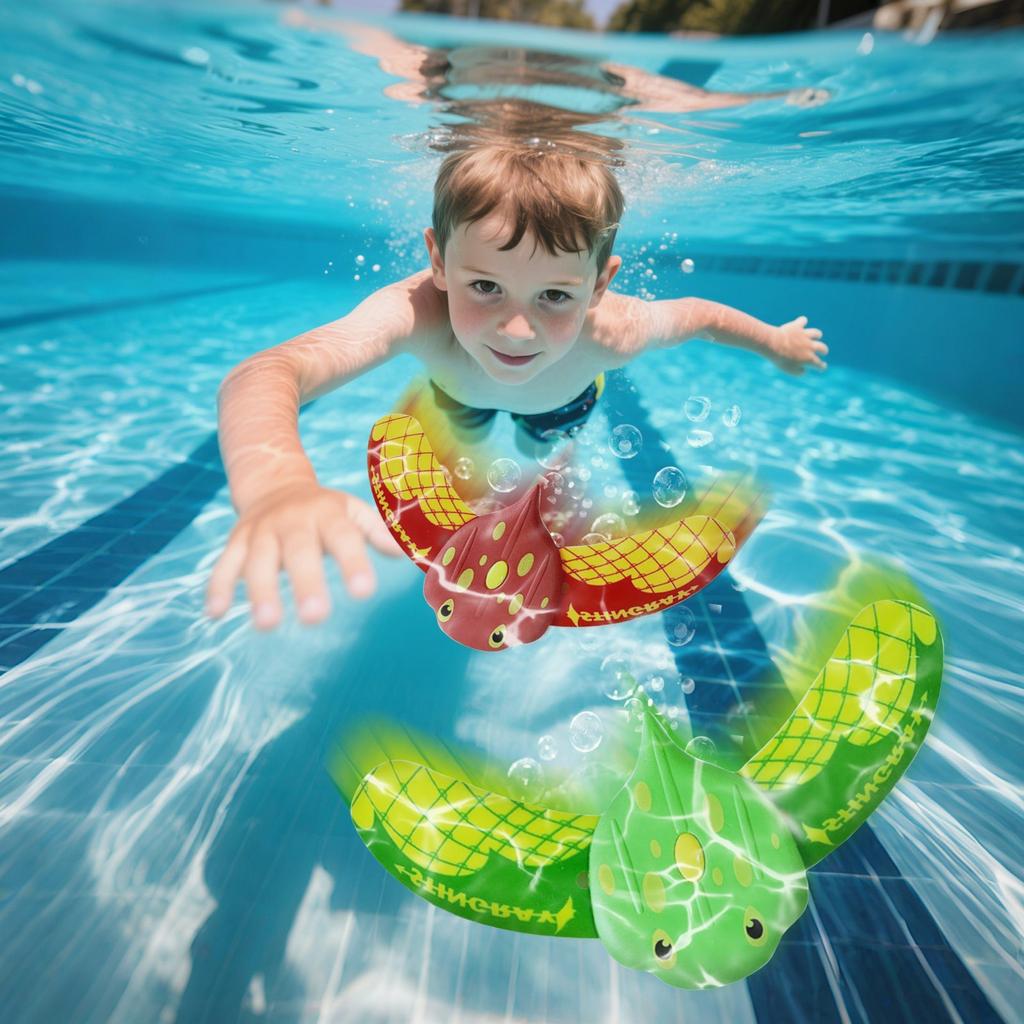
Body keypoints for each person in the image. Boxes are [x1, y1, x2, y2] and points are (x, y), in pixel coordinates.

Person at [205, 138, 827, 631]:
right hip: (458, 395)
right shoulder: (415, 314)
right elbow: (266, 372)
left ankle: (539, 450)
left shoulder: (612, 332)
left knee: (541, 450)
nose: (518, 330)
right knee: (464, 429)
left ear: (599, 285)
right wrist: (277, 487)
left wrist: (775, 341)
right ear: (438, 261)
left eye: (555, 295)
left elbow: (700, 316)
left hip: (563, 402)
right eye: (485, 287)